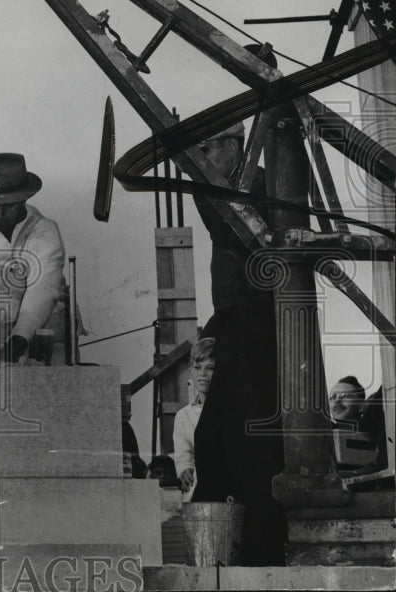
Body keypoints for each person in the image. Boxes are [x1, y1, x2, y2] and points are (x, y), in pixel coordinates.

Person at [189, 122, 286, 565]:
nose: (201, 157)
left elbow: (238, 238)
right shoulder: (220, 189)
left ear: (232, 146)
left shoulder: (261, 185)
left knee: (251, 447)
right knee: (212, 439)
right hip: (235, 322)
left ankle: (259, 549)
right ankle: (224, 553)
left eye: (206, 147)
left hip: (259, 324)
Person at [0, 150, 83, 364]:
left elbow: (42, 292)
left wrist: (20, 338)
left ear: (23, 199)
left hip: (40, 332)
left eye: (8, 206)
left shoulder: (43, 232)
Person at [172, 337, 215, 500]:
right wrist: (185, 471)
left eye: (210, 368)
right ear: (191, 371)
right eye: (198, 367)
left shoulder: (228, 410)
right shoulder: (183, 416)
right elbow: (184, 454)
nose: (202, 374)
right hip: (197, 495)